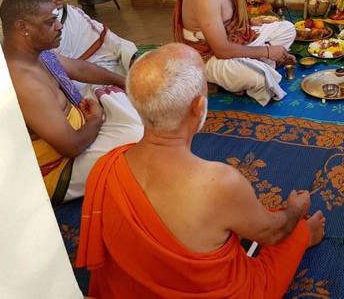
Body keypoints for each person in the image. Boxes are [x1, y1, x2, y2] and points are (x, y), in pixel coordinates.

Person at [76, 43, 325, 298]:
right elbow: (274, 233)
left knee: (245, 215)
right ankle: (306, 234)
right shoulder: (220, 183)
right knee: (292, 229)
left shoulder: (106, 166)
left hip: (128, 290)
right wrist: (296, 210)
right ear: (198, 107)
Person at [0, 0, 143, 205]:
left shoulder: (34, 52)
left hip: (80, 124)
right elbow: (72, 147)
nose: (59, 27)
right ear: (23, 28)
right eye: (50, 23)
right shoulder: (25, 82)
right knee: (135, 134)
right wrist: (95, 119)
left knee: (113, 91)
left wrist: (128, 83)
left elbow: (81, 69)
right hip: (60, 168)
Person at [19, 0, 137, 91]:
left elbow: (106, 37)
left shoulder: (71, 12)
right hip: (73, 80)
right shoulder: (31, 31)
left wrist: (131, 58)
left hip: (101, 64)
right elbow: (66, 72)